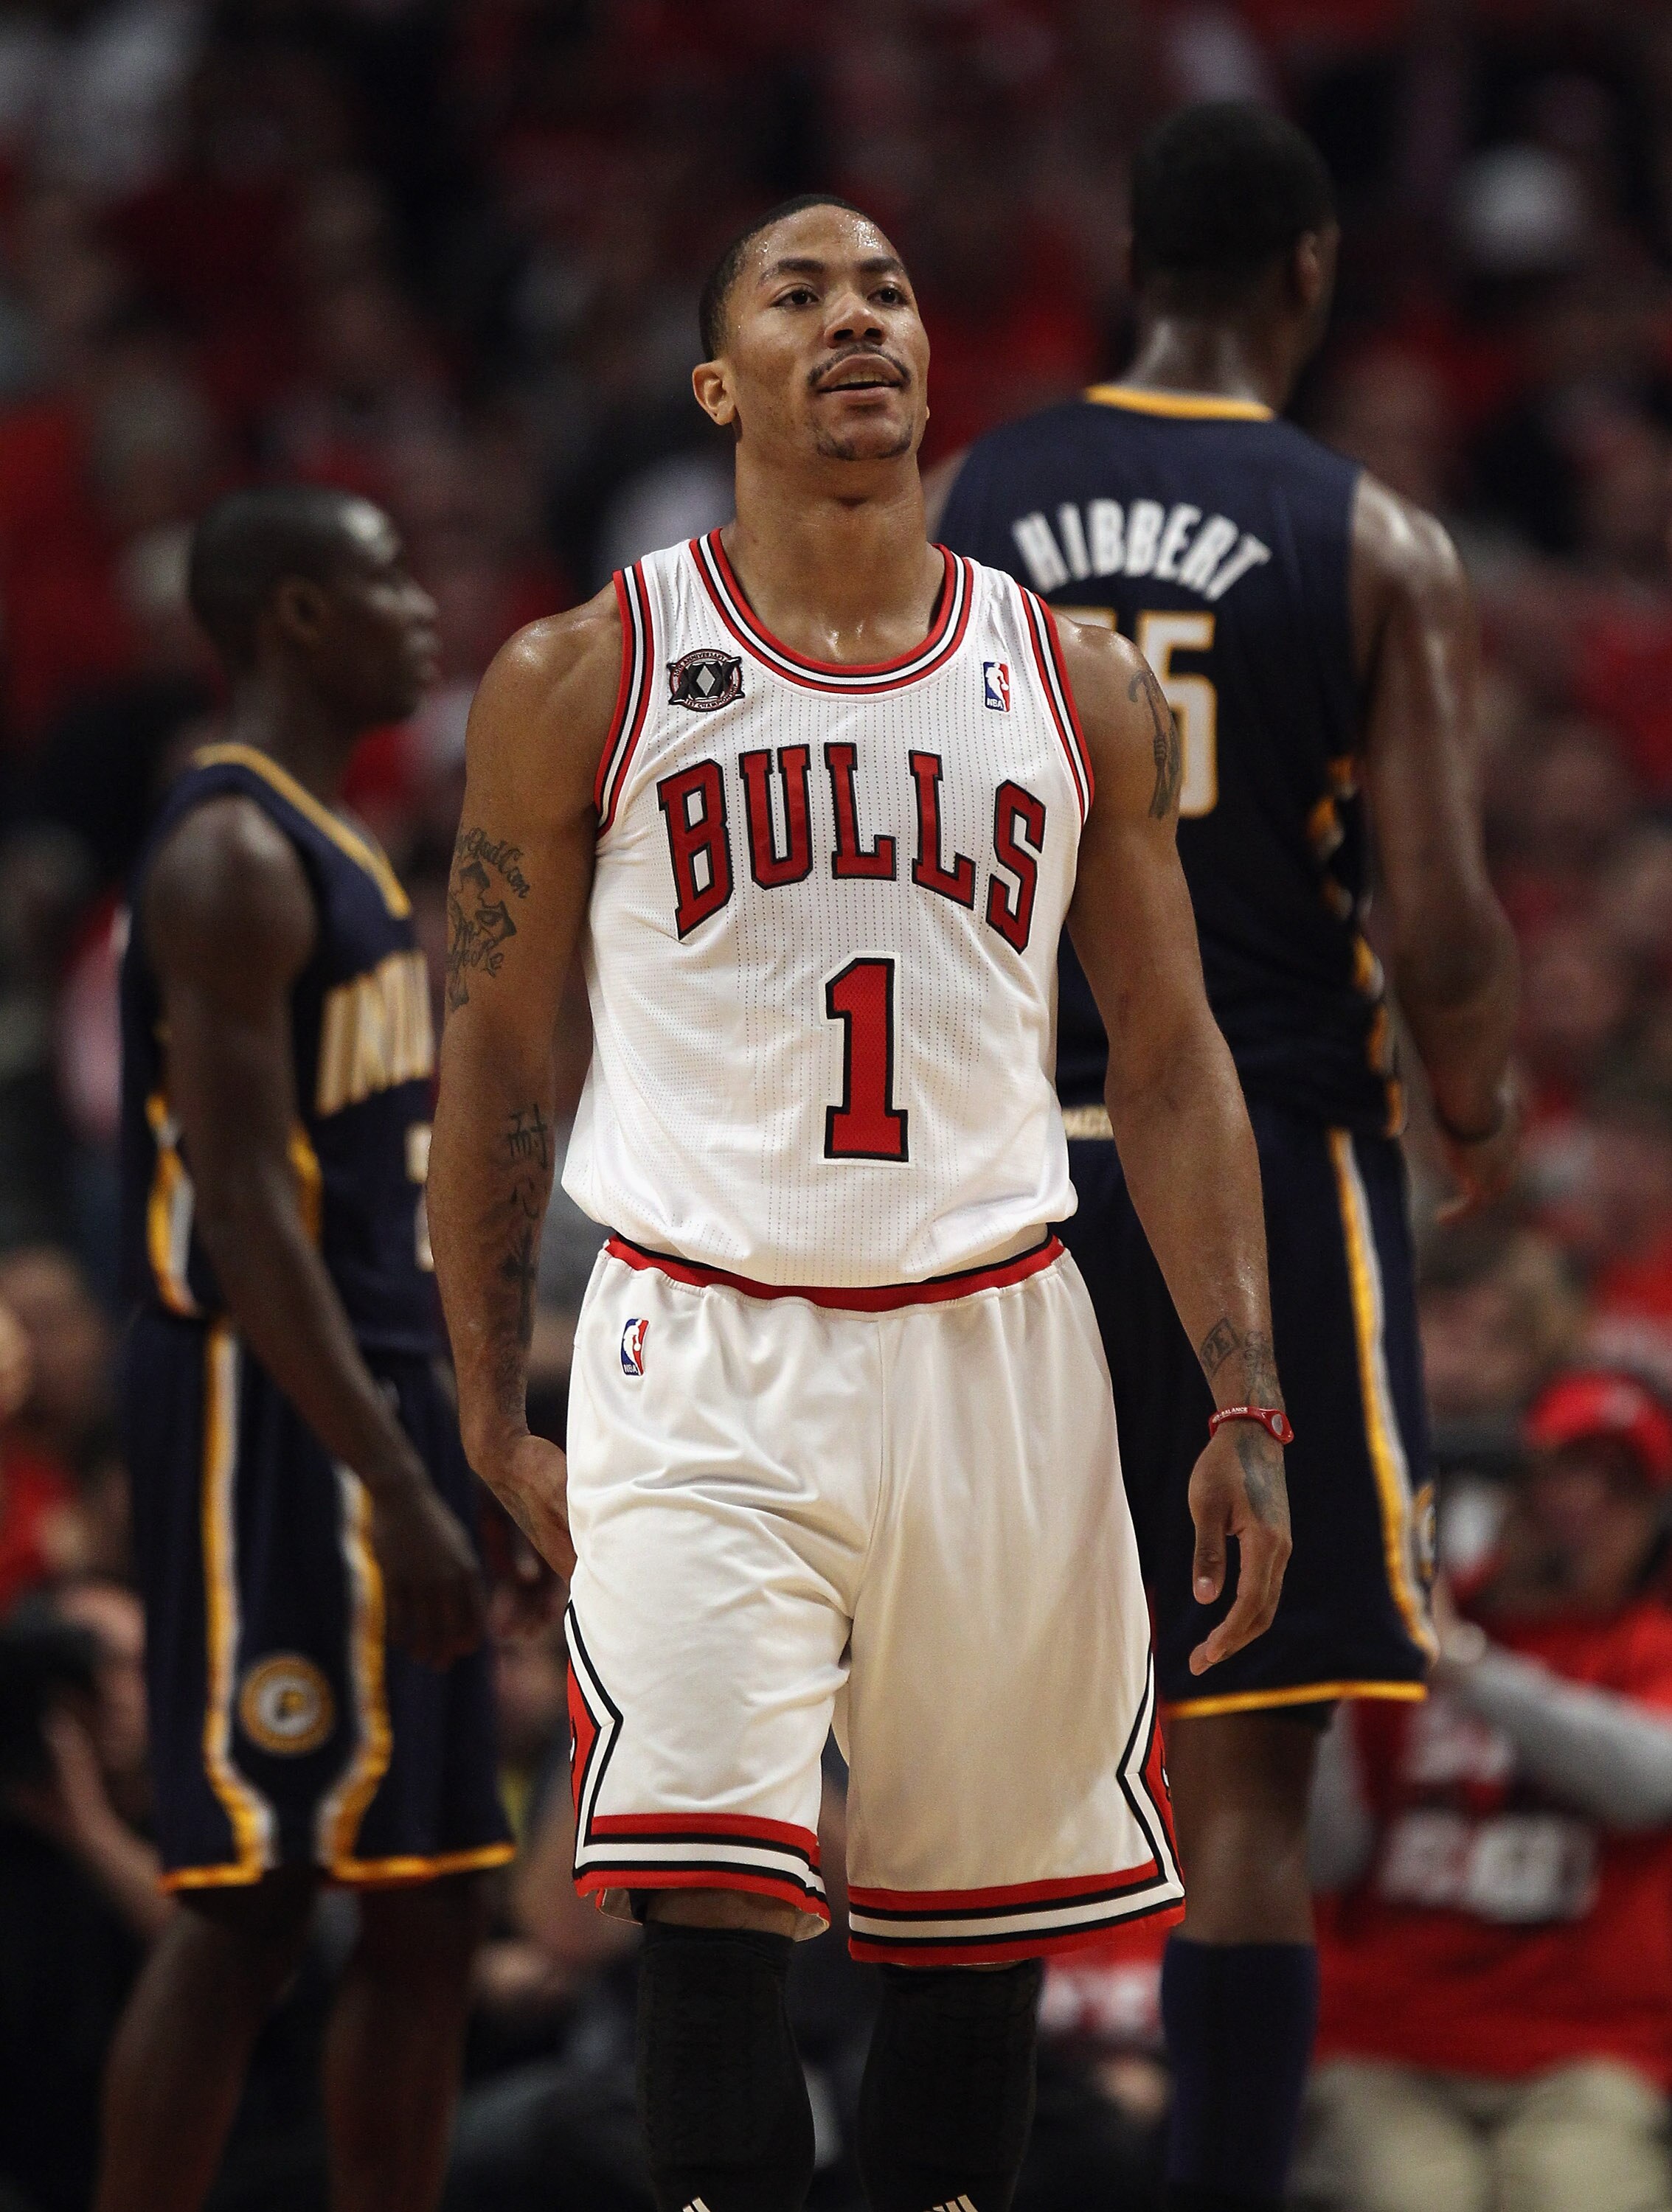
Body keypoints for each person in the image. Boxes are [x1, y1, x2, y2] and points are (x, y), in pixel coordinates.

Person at [428, 190, 1294, 2212]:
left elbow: (1164, 1064)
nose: (858, 321)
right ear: (722, 380)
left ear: (930, 360)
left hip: (998, 1334)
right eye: (799, 295)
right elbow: (491, 1061)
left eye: (889, 292)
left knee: (972, 1938)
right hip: (699, 1336)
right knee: (716, 1901)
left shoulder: (1076, 682)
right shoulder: (579, 672)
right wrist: (486, 1390)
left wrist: (1242, 1398)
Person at [931, 101, 1520, 2212]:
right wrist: (1476, 1099)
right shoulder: (1367, 535)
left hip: (1001, 1161)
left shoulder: (973, 500)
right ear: (1307, 270)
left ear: (1124, 255)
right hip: (1258, 1149)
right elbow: (1440, 916)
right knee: (1244, 1774)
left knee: (981, 1760)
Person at [100, 486, 513, 2212]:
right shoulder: (228, 855)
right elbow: (252, 1231)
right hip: (269, 1419)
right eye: (382, 582)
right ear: (289, 616)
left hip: (380, 1394)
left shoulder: (340, 848)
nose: (423, 611)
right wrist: (393, 1477)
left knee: (428, 1901)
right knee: (253, 1899)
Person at [1300, 1370, 1672, 2212]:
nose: (1580, 1505)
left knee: (1573, 2192)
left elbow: (1651, 1785)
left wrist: (1472, 1672)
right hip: (1388, 2041)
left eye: (1617, 1486)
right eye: (1563, 1473)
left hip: (1585, 2053)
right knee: (1407, 2195)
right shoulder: (1406, 1639)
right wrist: (1325, 1688)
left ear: (1650, 1520)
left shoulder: (1646, 1647)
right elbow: (1330, 1857)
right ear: (1514, 1488)